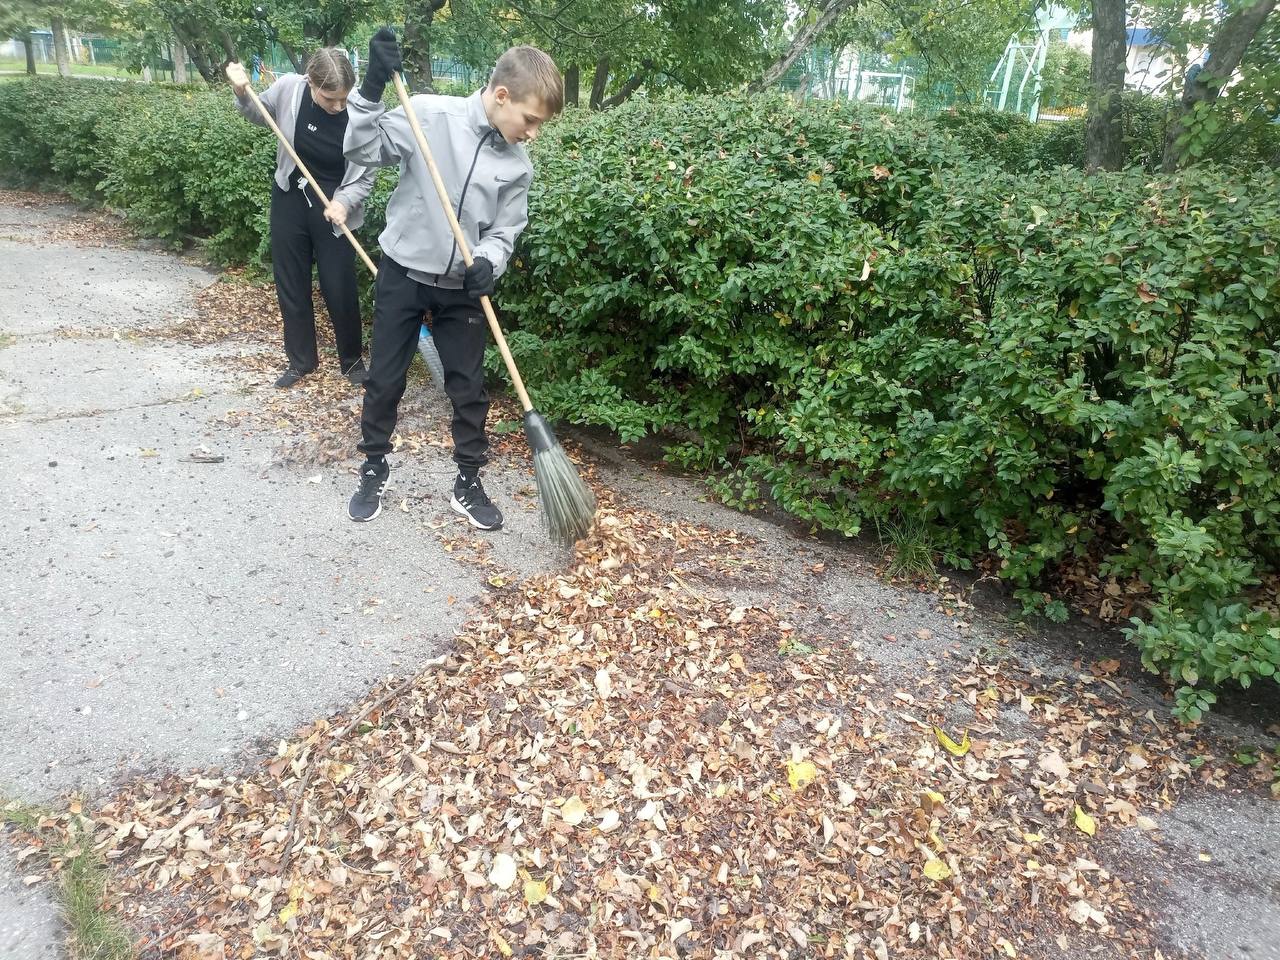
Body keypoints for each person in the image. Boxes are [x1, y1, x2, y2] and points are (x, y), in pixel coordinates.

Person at [342, 29, 563, 529]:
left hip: (461, 287)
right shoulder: (427, 116)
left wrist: (488, 259)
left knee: (469, 388)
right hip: (403, 271)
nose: (533, 133)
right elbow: (362, 150)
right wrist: (371, 90)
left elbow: (506, 230)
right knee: (384, 380)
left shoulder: (518, 165)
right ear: (502, 96)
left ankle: (467, 481)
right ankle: (374, 466)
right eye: (530, 120)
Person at [227, 50, 376, 388]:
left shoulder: (358, 112)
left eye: (343, 98)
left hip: (335, 204)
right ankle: (301, 361)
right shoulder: (289, 89)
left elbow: (365, 175)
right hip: (291, 196)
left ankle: (352, 362)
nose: (338, 106)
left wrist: (345, 202)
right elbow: (257, 113)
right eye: (329, 98)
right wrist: (240, 90)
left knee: (339, 285)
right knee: (291, 281)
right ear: (311, 83)